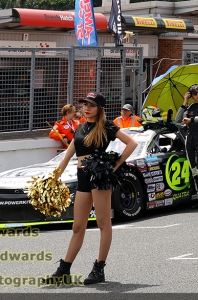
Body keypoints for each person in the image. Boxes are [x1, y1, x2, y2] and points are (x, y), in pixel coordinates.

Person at [49, 92, 137, 286]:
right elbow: (67, 157)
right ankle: (65, 269)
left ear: (100, 109)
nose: (86, 108)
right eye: (85, 104)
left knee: (103, 223)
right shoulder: (80, 127)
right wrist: (54, 178)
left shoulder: (105, 126)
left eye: (91, 105)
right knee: (78, 226)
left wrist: (116, 165)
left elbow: (132, 143)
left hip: (100, 177)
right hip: (82, 177)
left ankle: (99, 267)